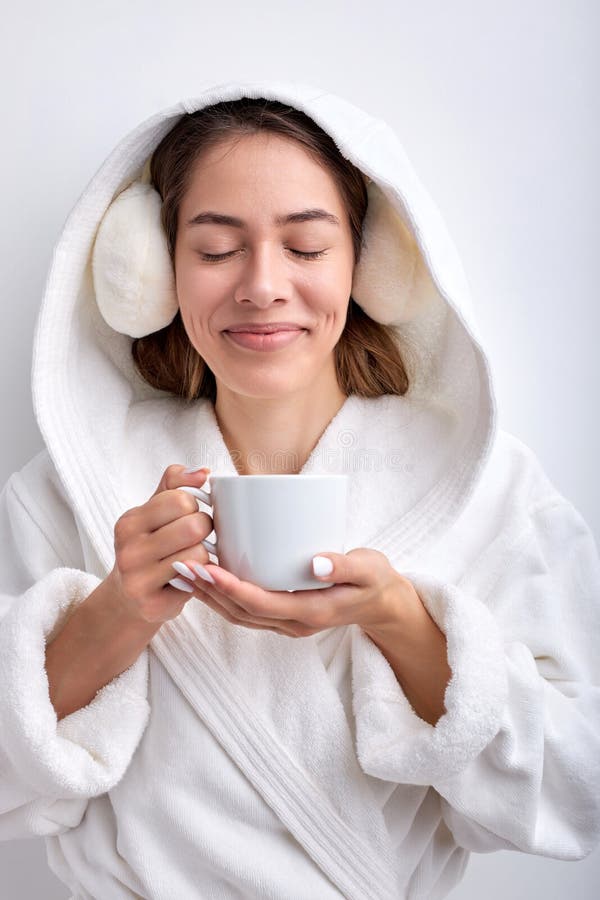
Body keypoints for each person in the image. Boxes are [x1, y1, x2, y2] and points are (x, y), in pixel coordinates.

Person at [0, 79, 599, 900]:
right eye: (216, 250)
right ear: (155, 271)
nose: (261, 286)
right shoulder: (73, 486)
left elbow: (580, 794)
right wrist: (117, 612)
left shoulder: (482, 485)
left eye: (307, 248)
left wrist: (400, 621)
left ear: (371, 263)